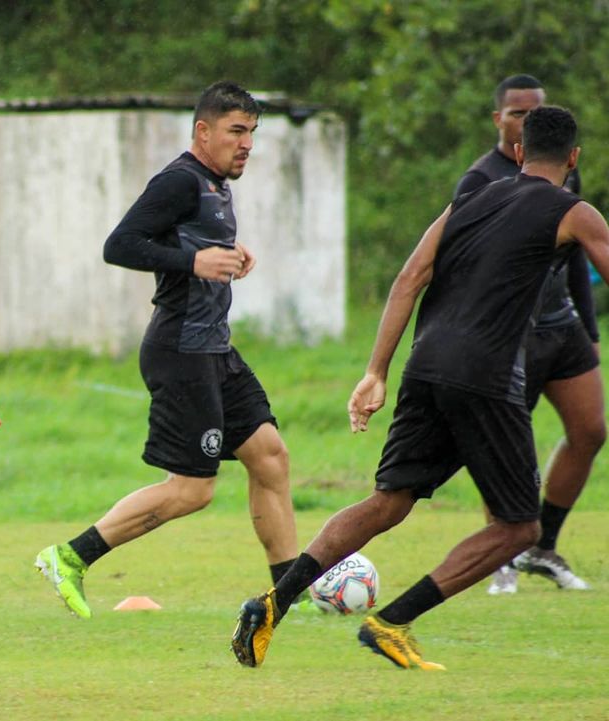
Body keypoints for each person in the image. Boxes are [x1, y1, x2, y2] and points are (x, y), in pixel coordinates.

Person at [232, 106, 609, 671]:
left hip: (424, 363)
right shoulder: (574, 210)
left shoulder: (470, 201)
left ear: (521, 152)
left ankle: (273, 600)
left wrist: (375, 371)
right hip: (485, 375)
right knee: (518, 527)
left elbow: (410, 277)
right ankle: (391, 621)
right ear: (574, 158)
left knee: (390, 500)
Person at [34, 81, 301, 620]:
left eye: (252, 132)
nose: (246, 143)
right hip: (180, 349)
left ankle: (287, 594)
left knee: (269, 456)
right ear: (203, 131)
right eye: (235, 131)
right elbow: (120, 244)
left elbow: (190, 244)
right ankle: (69, 556)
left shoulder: (216, 184)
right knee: (193, 491)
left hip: (214, 348)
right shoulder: (180, 181)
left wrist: (226, 254)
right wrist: (196, 263)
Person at [455, 74, 600, 595]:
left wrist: (591, 329)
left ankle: (544, 547)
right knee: (509, 448)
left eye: (532, 112)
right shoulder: (479, 181)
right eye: (515, 113)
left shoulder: (561, 173)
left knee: (591, 430)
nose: (523, 121)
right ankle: (503, 555)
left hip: (561, 323)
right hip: (509, 331)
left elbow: (578, 253)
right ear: (498, 119)